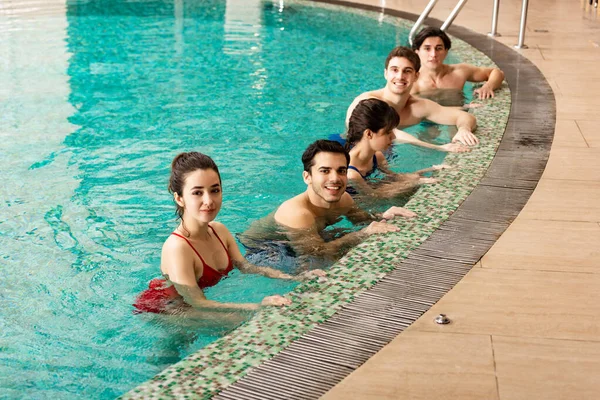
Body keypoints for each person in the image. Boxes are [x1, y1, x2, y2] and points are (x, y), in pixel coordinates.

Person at [134, 152, 325, 315]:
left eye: (214, 190)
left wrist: (295, 278)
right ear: (179, 198)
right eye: (197, 193)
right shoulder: (177, 247)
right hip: (166, 309)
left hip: (191, 305)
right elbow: (198, 302)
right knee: (244, 322)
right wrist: (257, 306)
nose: (209, 201)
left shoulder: (219, 230)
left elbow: (247, 267)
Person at [239, 140, 417, 266]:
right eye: (325, 171)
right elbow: (318, 255)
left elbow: (364, 220)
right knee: (316, 266)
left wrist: (384, 215)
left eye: (341, 171)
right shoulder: (297, 213)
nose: (335, 179)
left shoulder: (344, 199)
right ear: (307, 177)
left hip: (304, 239)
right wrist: (362, 234)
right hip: (265, 249)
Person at [346, 46, 479, 147]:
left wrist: (463, 129)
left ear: (416, 76)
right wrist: (439, 148)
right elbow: (391, 133)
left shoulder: (418, 107)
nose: (400, 76)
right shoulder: (368, 102)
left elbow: (466, 117)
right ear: (386, 74)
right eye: (394, 70)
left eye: (407, 71)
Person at [346, 98, 450, 197]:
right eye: (388, 132)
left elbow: (394, 177)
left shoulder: (377, 156)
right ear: (369, 134)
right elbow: (376, 196)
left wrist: (430, 170)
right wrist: (415, 183)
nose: (394, 137)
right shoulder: (351, 173)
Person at [411, 27, 505, 100]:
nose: (433, 54)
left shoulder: (459, 72)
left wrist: (488, 86)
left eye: (438, 48)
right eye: (427, 49)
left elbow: (497, 72)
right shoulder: (411, 82)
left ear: (446, 51)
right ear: (417, 51)